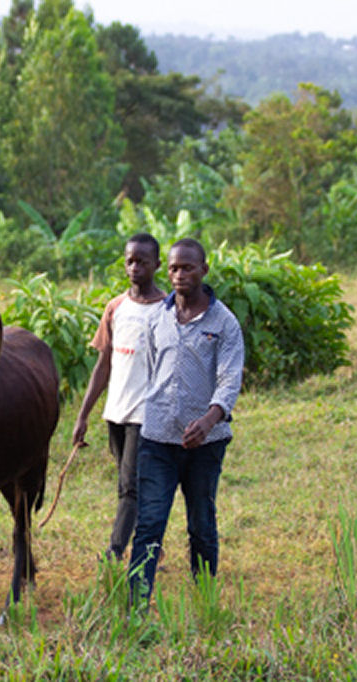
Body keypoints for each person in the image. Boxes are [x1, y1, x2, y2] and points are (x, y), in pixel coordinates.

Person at [128, 237, 244, 606]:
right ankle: (136, 606)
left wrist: (209, 420)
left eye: (188, 267)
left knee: (201, 524)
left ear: (204, 271)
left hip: (205, 445)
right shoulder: (156, 318)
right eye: (174, 268)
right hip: (157, 439)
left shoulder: (224, 323)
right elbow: (150, 372)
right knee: (149, 524)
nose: (179, 275)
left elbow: (229, 380)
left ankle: (205, 600)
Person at [72, 233, 166, 560]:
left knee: (130, 488)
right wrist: (83, 415)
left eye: (142, 261)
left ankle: (114, 552)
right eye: (130, 261)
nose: (135, 267)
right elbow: (103, 364)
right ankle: (152, 544)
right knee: (130, 486)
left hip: (148, 416)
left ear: (157, 265)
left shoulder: (167, 310)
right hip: (117, 412)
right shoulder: (116, 308)